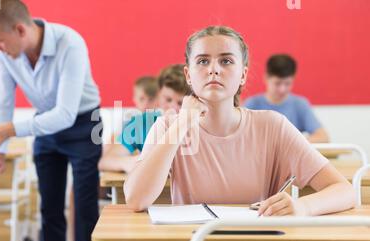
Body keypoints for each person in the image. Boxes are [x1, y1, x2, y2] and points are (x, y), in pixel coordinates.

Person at [123, 26, 355, 217]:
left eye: (226, 61)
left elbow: (345, 191)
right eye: (203, 61)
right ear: (188, 76)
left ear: (243, 75)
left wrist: (303, 206)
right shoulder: (166, 127)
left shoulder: (273, 126)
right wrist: (183, 123)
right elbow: (135, 199)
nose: (214, 69)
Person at [0, 0, 102, 241]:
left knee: (84, 206)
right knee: (49, 207)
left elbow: (65, 114)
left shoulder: (70, 42)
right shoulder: (3, 53)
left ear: (20, 30)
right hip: (45, 123)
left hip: (86, 122)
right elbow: (3, 102)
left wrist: (8, 130)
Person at [98, 64, 190, 173]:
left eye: (181, 103)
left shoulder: (202, 125)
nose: (173, 109)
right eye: (168, 100)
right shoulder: (143, 123)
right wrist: (128, 162)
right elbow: (105, 162)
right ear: (158, 95)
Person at [244, 54, 329, 143]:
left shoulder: (300, 105)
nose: (282, 89)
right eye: (277, 83)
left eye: (287, 83)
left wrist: (291, 143)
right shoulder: (252, 104)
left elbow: (323, 137)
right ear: (266, 78)